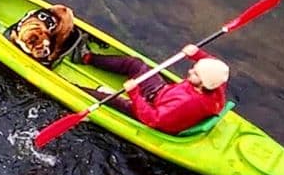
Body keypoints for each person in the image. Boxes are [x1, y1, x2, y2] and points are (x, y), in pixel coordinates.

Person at [72, 41, 229, 135]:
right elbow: (212, 63)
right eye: (194, 68)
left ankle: (70, 85)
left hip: (150, 111)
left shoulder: (186, 103)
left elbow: (153, 119)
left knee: (108, 100)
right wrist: (197, 54)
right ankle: (87, 57)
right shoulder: (216, 83)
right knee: (135, 64)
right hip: (160, 94)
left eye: (195, 73)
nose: (189, 71)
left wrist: (134, 94)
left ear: (202, 84)